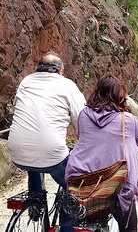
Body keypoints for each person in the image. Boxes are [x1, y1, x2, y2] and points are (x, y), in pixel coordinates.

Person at [65, 73, 138, 232]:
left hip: (83, 180)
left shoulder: (84, 115)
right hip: (115, 183)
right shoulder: (127, 119)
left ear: (97, 92)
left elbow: (84, 138)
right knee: (129, 228)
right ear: (119, 95)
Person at [8, 51, 86, 231]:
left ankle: (35, 200)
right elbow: (82, 119)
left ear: (38, 69)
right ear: (60, 71)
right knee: (72, 187)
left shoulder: (26, 81)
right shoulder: (66, 85)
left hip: (17, 149)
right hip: (50, 152)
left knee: (32, 157)